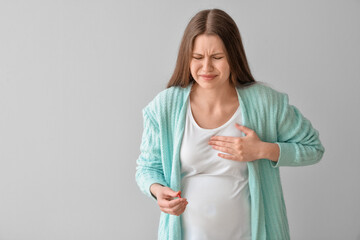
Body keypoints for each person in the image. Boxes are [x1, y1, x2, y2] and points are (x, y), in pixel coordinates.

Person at [135, 8, 325, 240]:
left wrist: (263, 150)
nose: (206, 68)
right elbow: (147, 167)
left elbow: (313, 148)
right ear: (187, 57)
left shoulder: (265, 102)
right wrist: (158, 191)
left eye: (217, 57)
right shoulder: (165, 107)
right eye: (197, 58)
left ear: (233, 56)